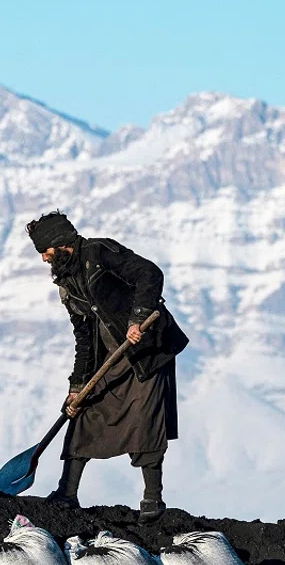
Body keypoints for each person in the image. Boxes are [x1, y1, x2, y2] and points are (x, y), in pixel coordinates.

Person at [25, 210, 189, 523]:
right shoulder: (66, 284)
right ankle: (66, 493)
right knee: (84, 411)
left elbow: (150, 274)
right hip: (111, 355)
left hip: (148, 350)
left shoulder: (101, 253)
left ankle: (152, 500)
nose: (44, 259)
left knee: (146, 420)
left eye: (44, 251)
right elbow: (84, 339)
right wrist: (76, 387)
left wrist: (138, 317)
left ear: (60, 245)